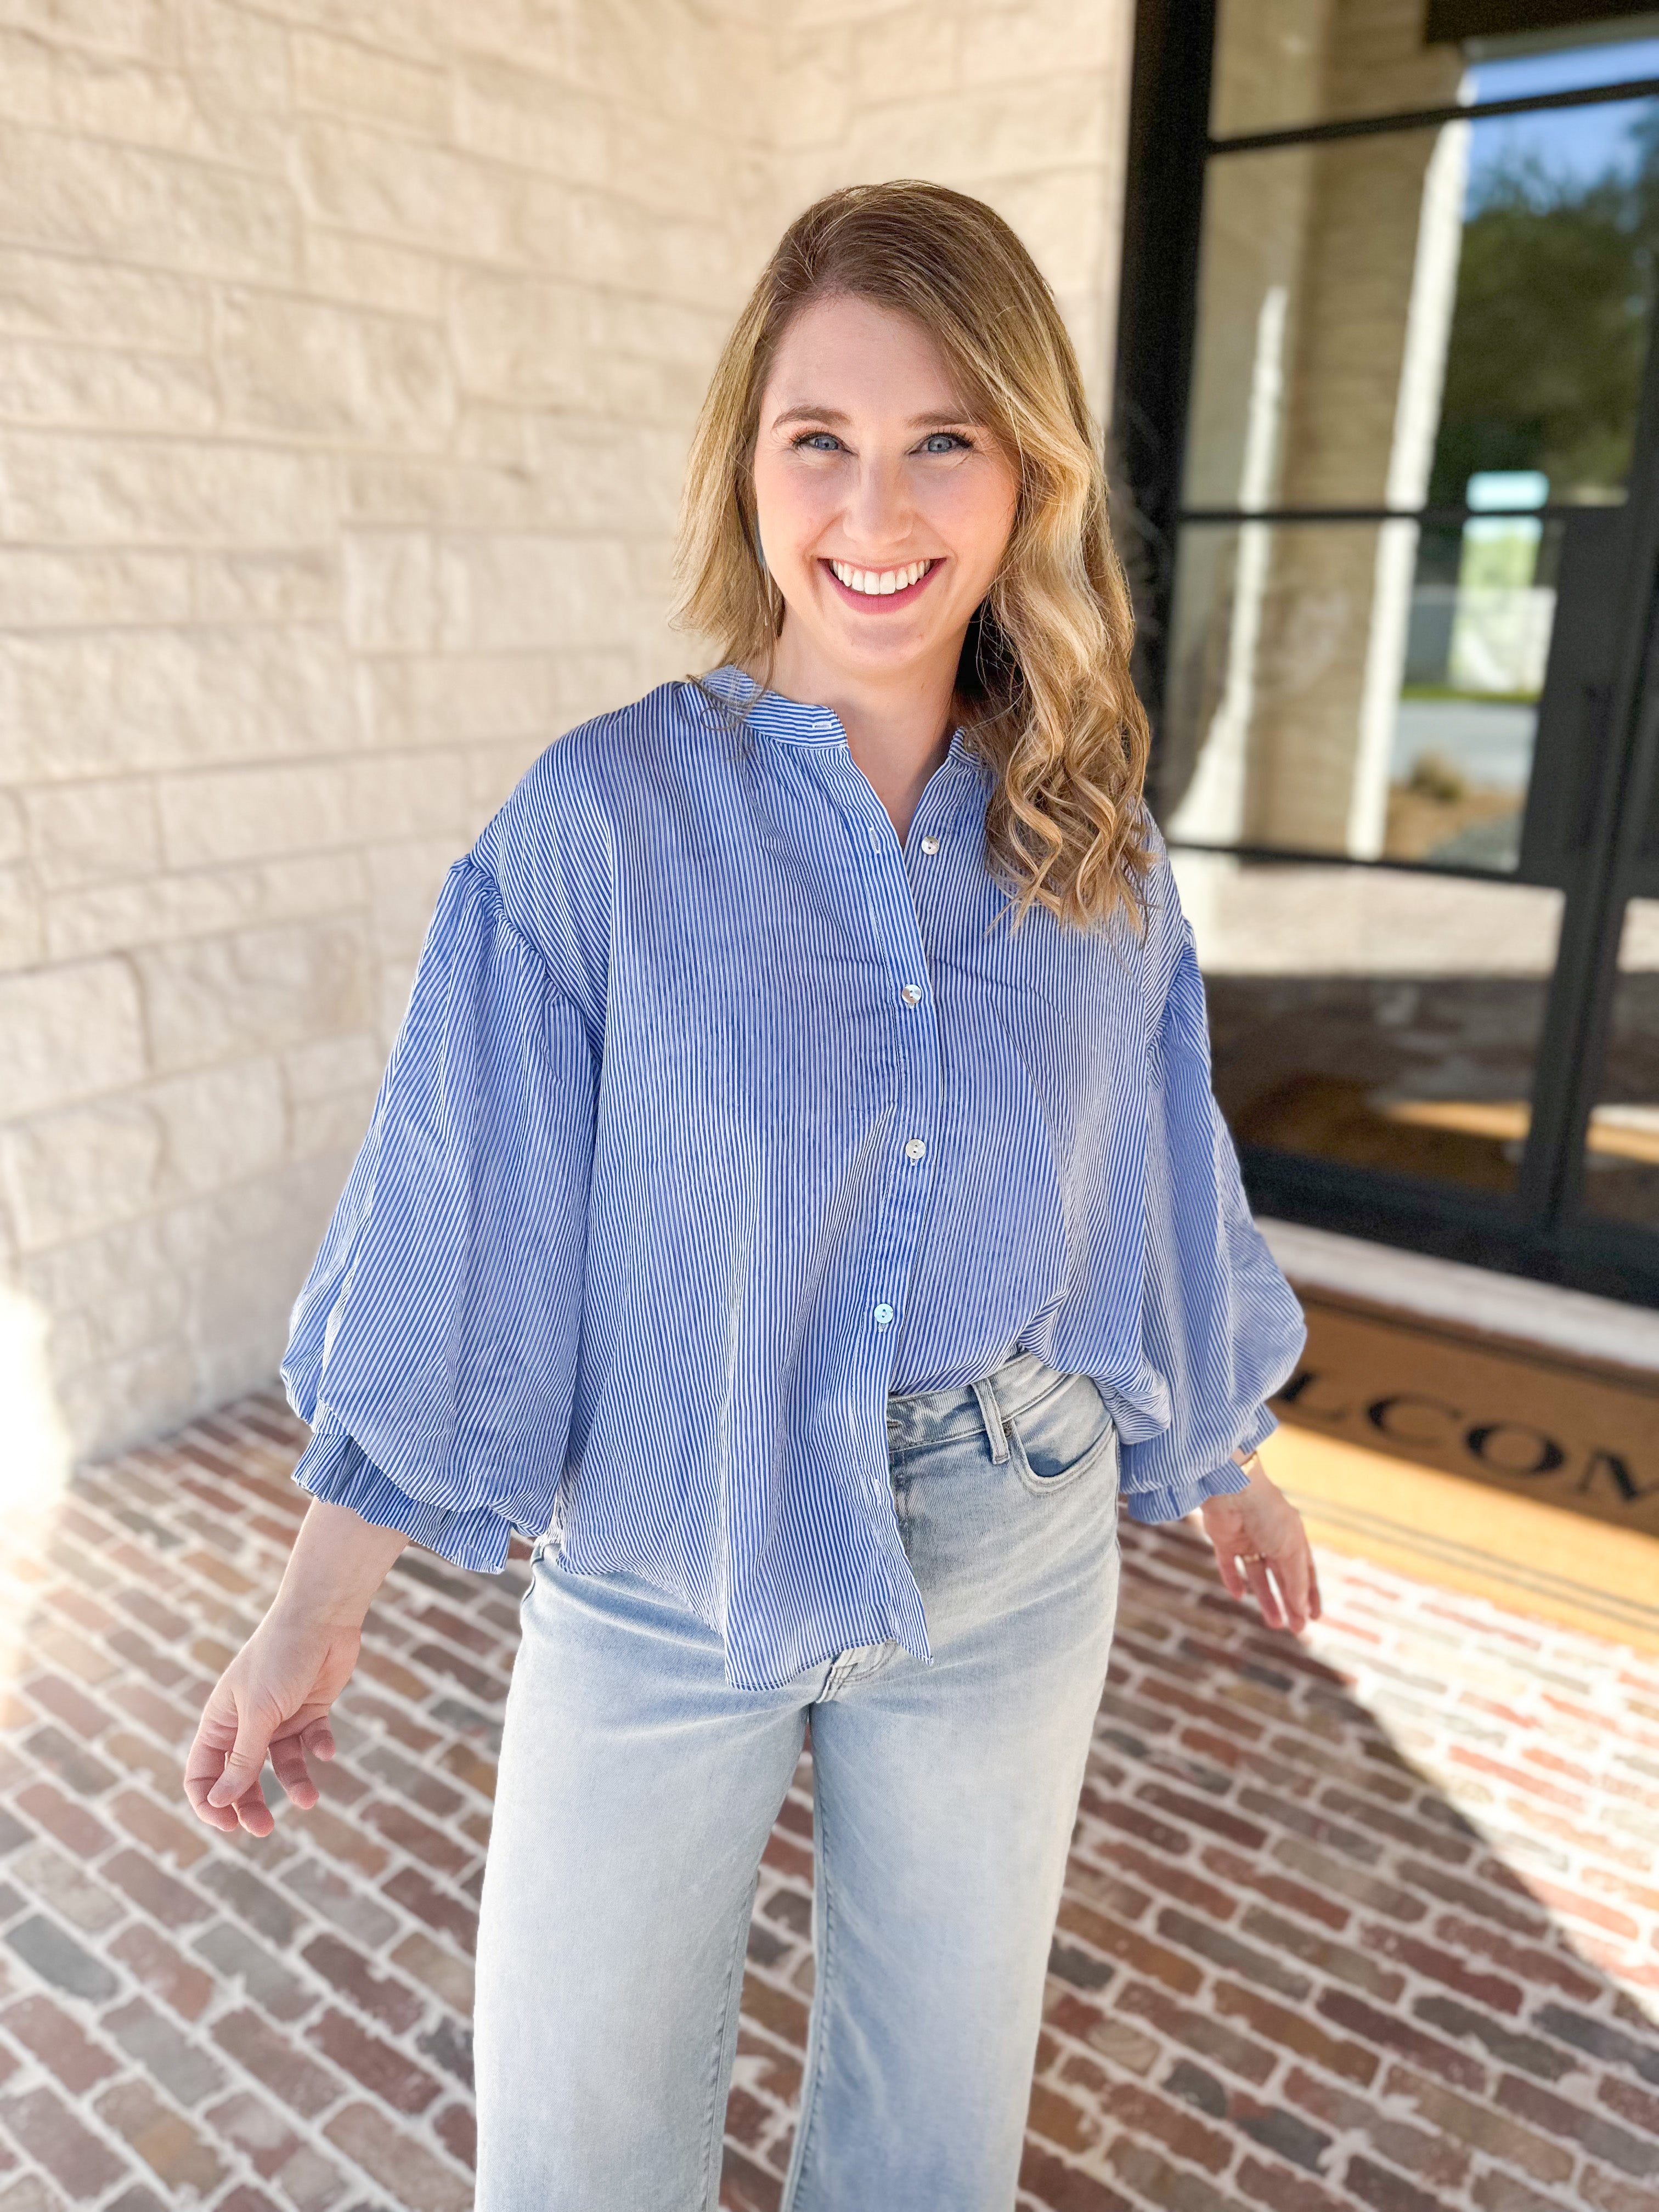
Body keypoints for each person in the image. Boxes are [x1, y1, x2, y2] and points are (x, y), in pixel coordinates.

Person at [185, 180, 1316, 2211]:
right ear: (751, 466)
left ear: (1026, 474)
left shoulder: (1092, 834)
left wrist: (1218, 1448)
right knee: (577, 2135)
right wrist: (308, 1615)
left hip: (1014, 1536)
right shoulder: (599, 822)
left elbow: (1154, 1153)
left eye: (940, 442)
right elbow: (467, 1212)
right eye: (824, 442)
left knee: (929, 2139)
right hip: (661, 1542)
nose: (876, 513)